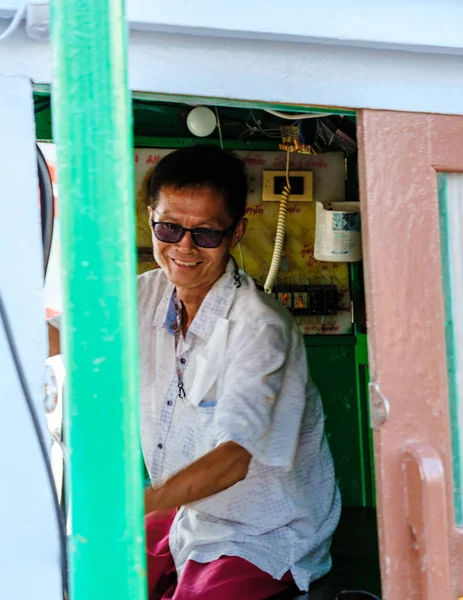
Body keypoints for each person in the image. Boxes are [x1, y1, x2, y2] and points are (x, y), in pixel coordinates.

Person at [50, 145, 341, 599]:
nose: (183, 248)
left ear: (235, 232)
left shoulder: (260, 327)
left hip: (264, 526)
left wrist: (130, 507)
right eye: (169, 228)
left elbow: (233, 460)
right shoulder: (142, 294)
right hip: (189, 509)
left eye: (205, 234)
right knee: (85, 575)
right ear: (151, 219)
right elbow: (46, 338)